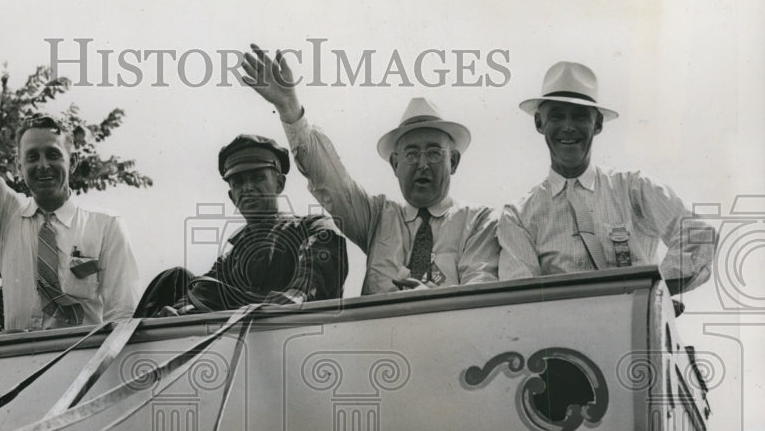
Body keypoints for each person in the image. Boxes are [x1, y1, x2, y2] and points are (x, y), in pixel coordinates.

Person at [0, 4, 140, 331]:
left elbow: (122, 319)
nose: (43, 165)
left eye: (53, 154)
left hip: (83, 372)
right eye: (32, 157)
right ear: (19, 163)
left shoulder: (107, 228)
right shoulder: (6, 216)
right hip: (20, 372)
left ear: (71, 158)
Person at [240, 46, 499, 293]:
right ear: (395, 164)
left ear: (453, 162)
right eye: (410, 154)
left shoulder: (479, 221)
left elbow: (482, 291)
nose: (422, 164)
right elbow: (332, 182)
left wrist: (430, 300)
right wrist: (290, 109)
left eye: (433, 153)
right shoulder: (378, 218)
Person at [498, 61, 716, 294]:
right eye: (557, 117)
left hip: (638, 327)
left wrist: (656, 292)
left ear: (598, 124)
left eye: (580, 117)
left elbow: (699, 234)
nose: (568, 127)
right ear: (539, 123)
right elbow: (520, 298)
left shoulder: (635, 188)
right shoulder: (518, 216)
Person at [135, 134, 347, 316]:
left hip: (296, 342)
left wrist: (277, 304)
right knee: (172, 279)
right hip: (238, 352)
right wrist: (177, 314)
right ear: (232, 196)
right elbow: (202, 293)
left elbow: (307, 289)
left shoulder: (314, 228)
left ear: (279, 184)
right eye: (238, 183)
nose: (247, 188)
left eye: (257, 178)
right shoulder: (230, 258)